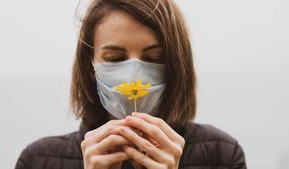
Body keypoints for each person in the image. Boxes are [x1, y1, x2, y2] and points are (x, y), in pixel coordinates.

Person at [15, 0, 247, 169]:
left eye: (154, 58)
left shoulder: (222, 155)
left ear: (175, 65)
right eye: (115, 59)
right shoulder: (37, 160)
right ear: (90, 68)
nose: (133, 75)